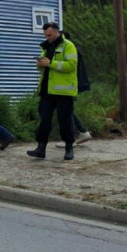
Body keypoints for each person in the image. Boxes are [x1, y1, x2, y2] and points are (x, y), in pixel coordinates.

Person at [27, 22, 78, 161]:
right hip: (47, 90)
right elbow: (44, 67)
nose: (47, 37)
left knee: (65, 120)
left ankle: (69, 148)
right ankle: (40, 148)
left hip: (63, 92)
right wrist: (40, 64)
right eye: (45, 35)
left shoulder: (68, 46)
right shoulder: (46, 46)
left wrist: (50, 63)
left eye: (49, 35)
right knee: (44, 120)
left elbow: (71, 66)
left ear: (57, 32)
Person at [55, 31, 92, 149]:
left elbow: (67, 67)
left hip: (67, 84)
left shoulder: (66, 49)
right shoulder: (71, 48)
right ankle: (82, 132)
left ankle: (71, 138)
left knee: (65, 110)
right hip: (70, 84)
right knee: (66, 109)